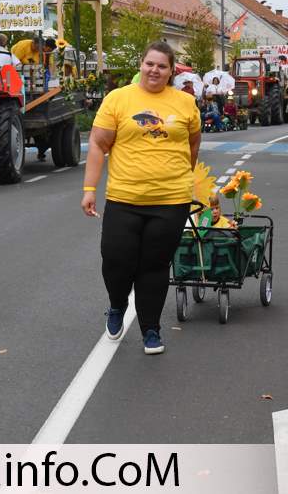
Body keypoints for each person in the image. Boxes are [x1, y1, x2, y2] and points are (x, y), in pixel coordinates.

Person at [81, 41, 201, 355]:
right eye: (150, 64)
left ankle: (151, 329)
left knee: (155, 266)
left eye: (162, 66)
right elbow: (98, 144)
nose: (154, 70)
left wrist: (181, 178)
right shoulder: (118, 99)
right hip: (124, 197)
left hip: (170, 200)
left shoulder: (185, 103)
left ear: (171, 71)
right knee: (115, 259)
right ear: (141, 64)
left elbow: (192, 145)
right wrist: (89, 189)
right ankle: (117, 305)